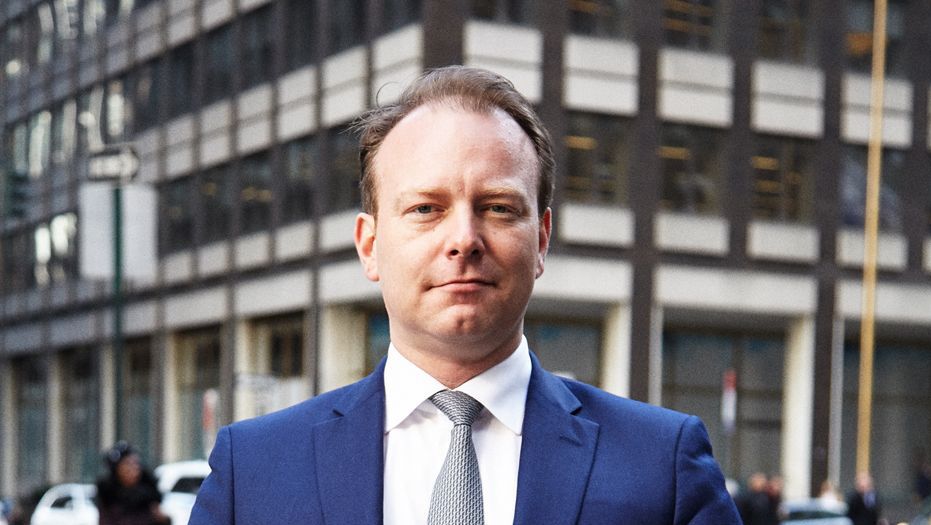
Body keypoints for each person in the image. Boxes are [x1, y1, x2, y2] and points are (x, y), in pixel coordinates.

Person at [189, 66, 740, 524]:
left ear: (541, 239)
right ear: (370, 246)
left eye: (498, 207)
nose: (463, 240)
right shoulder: (253, 471)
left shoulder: (662, 465)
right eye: (426, 208)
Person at [95, 441, 170, 525]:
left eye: (136, 463)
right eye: (128, 464)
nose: (134, 468)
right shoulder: (108, 496)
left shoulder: (150, 495)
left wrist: (164, 519)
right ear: (117, 469)